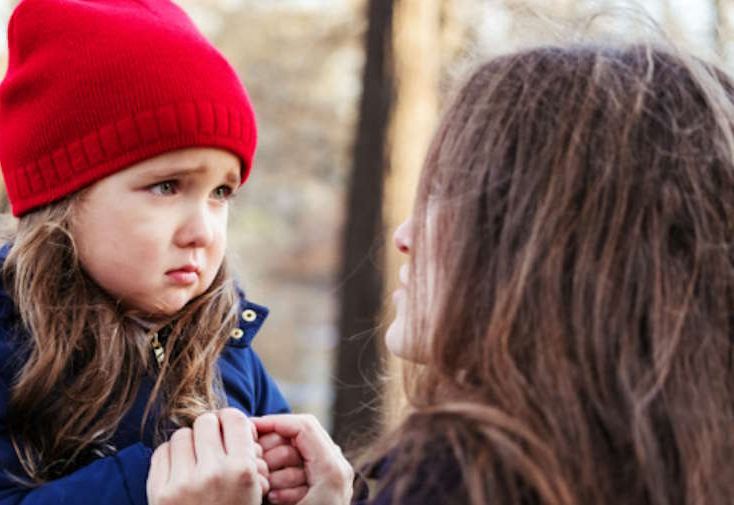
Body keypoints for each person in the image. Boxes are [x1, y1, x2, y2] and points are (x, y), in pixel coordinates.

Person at [254, 41, 734, 505]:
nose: (404, 235)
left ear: (550, 246)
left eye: (450, 193)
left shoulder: (468, 482)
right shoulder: (682, 470)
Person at [0, 1, 306, 503]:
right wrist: (142, 490)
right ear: (62, 200)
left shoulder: (226, 352)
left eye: (221, 193)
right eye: (167, 186)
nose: (203, 231)